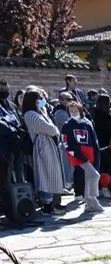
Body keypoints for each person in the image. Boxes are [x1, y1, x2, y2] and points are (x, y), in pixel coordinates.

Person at [22, 87, 67, 215]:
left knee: (54, 173)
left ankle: (55, 203)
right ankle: (47, 204)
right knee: (46, 174)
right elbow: (50, 128)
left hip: (50, 144)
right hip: (43, 146)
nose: (42, 101)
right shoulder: (30, 114)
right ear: (33, 100)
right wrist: (55, 129)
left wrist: (44, 110)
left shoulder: (41, 112)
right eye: (39, 98)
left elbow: (51, 125)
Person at [61, 101, 104, 213]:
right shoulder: (67, 125)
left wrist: (96, 154)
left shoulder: (87, 123)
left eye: (75, 109)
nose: (73, 112)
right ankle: (93, 199)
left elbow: (94, 140)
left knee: (89, 177)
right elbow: (66, 143)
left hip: (90, 153)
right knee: (95, 175)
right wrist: (76, 154)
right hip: (78, 155)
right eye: (71, 110)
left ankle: (89, 204)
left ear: (80, 109)